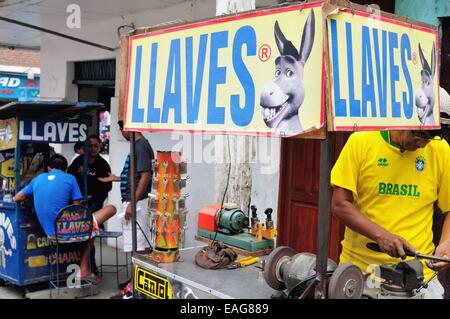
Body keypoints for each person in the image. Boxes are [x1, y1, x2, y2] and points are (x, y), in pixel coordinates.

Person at [331, 128, 450, 299]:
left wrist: (446, 242)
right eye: (419, 135)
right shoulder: (361, 141)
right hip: (364, 275)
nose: (423, 143)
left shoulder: (441, 149)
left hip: (419, 277)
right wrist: (381, 236)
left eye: (430, 138)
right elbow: (340, 204)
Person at [14, 154, 116, 282]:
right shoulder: (70, 178)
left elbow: (17, 197)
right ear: (66, 169)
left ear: (49, 168)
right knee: (110, 210)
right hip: (65, 232)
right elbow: (77, 210)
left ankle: (85, 264)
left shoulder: (38, 179)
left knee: (93, 228)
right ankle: (84, 270)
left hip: (49, 232)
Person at [99, 120, 154, 299]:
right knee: (134, 245)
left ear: (127, 128)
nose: (121, 132)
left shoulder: (140, 146)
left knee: (139, 246)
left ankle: (139, 286)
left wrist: (132, 202)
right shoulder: (137, 145)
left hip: (136, 202)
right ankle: (135, 281)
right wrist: (117, 178)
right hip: (133, 201)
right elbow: (135, 175)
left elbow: (145, 176)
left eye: (121, 128)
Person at [68, 134, 113, 276]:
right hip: (77, 205)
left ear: (99, 147)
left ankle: (91, 268)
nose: (93, 149)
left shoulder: (103, 164)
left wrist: (90, 196)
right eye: (90, 146)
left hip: (95, 206)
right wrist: (79, 174)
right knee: (78, 238)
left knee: (89, 237)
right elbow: (69, 179)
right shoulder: (78, 162)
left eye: (96, 146)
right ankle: (79, 268)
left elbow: (107, 186)